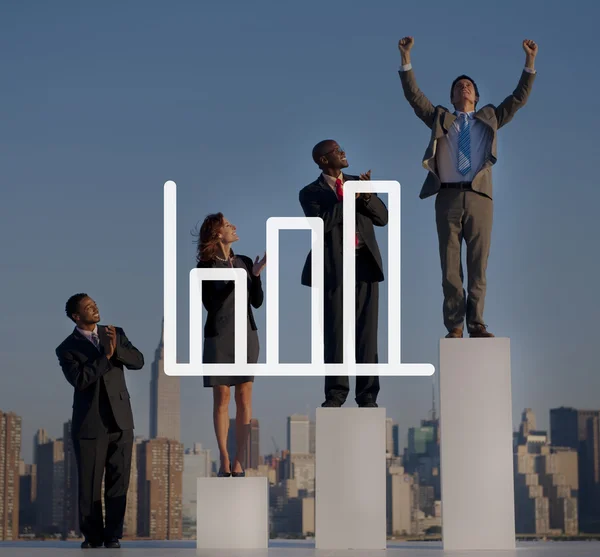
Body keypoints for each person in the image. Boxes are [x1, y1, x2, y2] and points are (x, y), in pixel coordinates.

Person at [397, 36, 538, 338]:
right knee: (449, 266)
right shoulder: (440, 118)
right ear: (451, 97)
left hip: (479, 197)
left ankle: (477, 322)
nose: (464, 87)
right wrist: (406, 57)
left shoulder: (489, 117)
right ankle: (455, 325)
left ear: (475, 96)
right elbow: (414, 96)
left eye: (469, 86)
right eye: (458, 86)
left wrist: (529, 63)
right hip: (446, 195)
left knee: (478, 263)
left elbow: (518, 98)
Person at [300, 140, 388, 407]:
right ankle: (336, 395)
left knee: (367, 335)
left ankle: (367, 396)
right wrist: (349, 199)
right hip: (333, 270)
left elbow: (383, 218)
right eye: (337, 151)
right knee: (335, 334)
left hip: (365, 266)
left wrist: (367, 196)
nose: (344, 153)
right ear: (323, 160)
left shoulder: (358, 185)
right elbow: (320, 224)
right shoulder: (309, 193)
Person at [55, 293, 144, 549]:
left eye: (94, 304)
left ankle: (113, 536)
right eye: (88, 307)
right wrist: (105, 357)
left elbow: (138, 361)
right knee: (90, 485)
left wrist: (116, 352)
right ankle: (92, 537)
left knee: (119, 482)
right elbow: (80, 380)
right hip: (90, 425)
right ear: (76, 316)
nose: (95, 308)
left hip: (121, 422)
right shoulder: (66, 348)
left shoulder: (114, 333)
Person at [195, 213, 266, 476]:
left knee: (244, 397)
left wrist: (255, 277)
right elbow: (210, 305)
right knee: (222, 397)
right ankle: (224, 458)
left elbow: (256, 302)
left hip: (246, 335)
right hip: (219, 336)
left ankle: (239, 460)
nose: (234, 227)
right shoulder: (205, 266)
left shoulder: (245, 262)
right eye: (228, 225)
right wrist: (234, 281)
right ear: (217, 234)